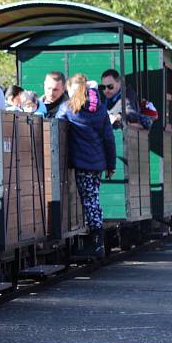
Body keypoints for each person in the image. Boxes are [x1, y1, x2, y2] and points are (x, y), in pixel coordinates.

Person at [56, 74, 116, 257]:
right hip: (97, 163)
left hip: (82, 162)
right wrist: (111, 164)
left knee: (90, 200)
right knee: (93, 199)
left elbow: (54, 124)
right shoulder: (100, 109)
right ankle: (97, 241)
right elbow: (109, 139)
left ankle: (97, 243)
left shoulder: (68, 109)